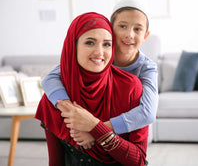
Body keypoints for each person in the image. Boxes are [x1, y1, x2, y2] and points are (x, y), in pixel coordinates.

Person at [35, 12, 148, 166]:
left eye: (107, 44)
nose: (99, 52)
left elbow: (139, 161)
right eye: (90, 42)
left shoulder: (130, 87)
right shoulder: (55, 97)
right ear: (72, 46)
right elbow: (56, 162)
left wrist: (95, 127)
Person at [41, 0, 158, 144]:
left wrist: (97, 130)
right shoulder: (100, 56)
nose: (129, 34)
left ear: (146, 36)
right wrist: (71, 110)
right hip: (91, 123)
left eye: (137, 29)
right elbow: (50, 78)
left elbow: (147, 113)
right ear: (110, 28)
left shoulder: (147, 68)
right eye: (122, 26)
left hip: (130, 131)